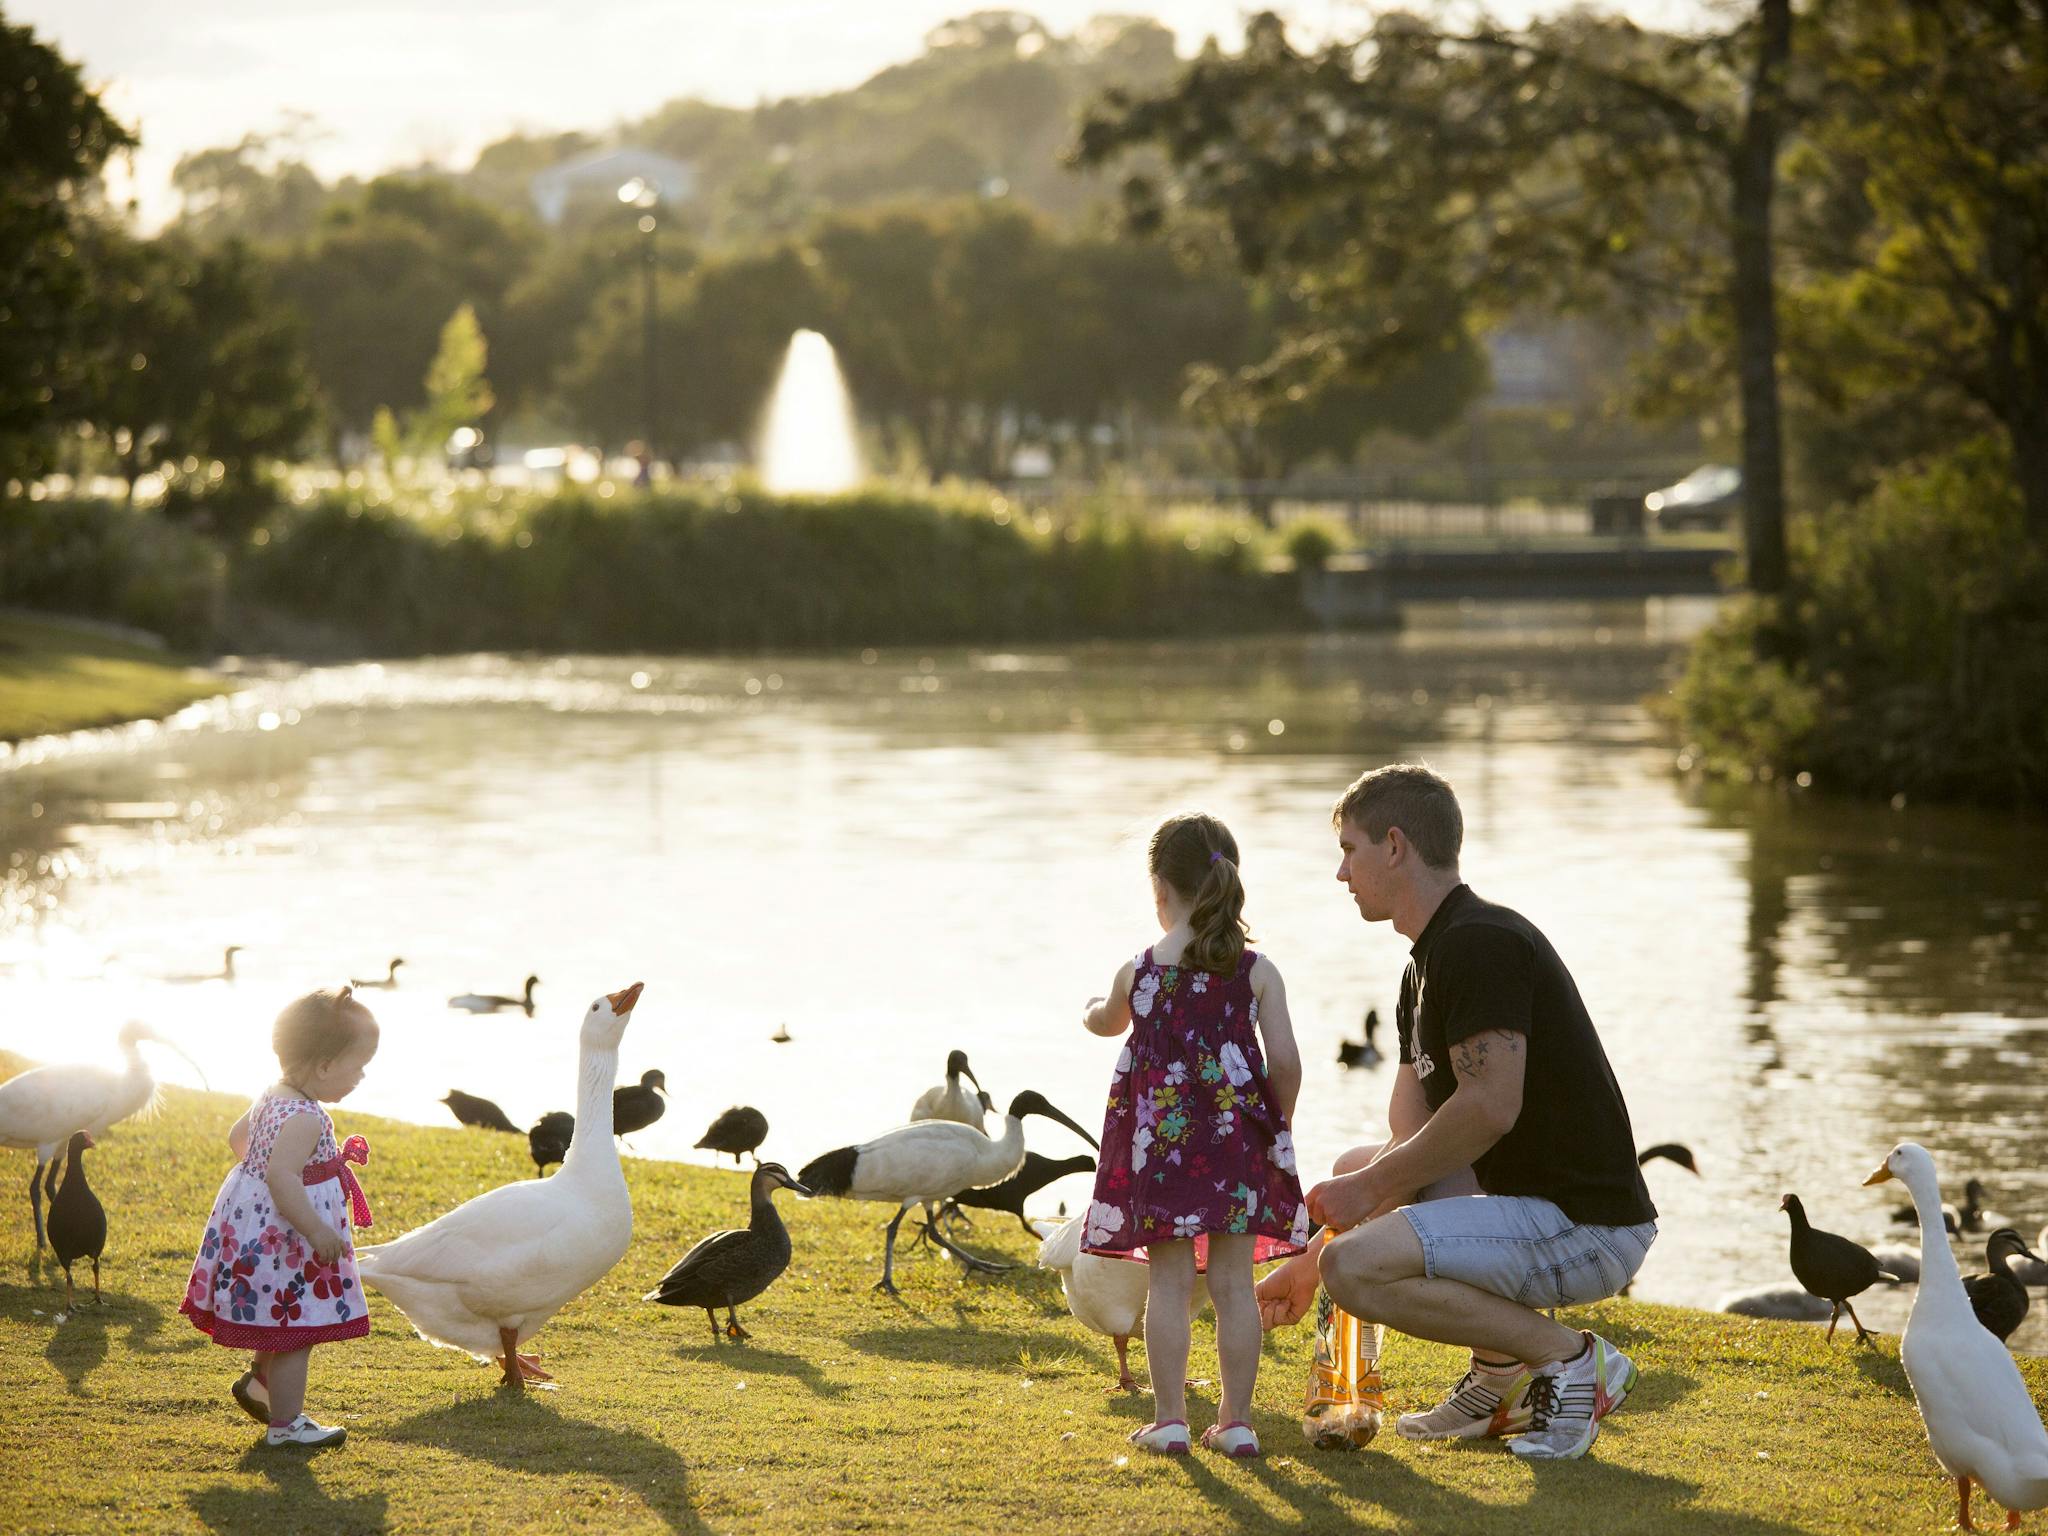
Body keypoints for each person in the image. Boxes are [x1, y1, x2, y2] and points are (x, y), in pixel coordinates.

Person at [1256, 764, 1658, 1461]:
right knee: (1358, 1180)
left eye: (1349, 850)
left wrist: (1350, 1228)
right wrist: (1309, 1260)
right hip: (1527, 1211)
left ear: (1394, 844)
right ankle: (1497, 1381)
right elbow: (1408, 1140)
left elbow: (1490, 1108)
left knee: (1358, 1266)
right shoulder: (1424, 966)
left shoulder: (1480, 944)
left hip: (1588, 1227)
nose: (1341, 873)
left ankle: (1571, 1360)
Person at [1080, 811, 1311, 1458]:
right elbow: (1288, 1064)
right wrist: (1275, 1131)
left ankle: (1171, 1418)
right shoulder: (1256, 971)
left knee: (1170, 1285)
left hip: (1164, 1152)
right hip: (1237, 1148)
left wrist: (1088, 1012)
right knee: (1234, 1285)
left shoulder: (1142, 971)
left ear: (1159, 891)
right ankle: (1236, 1421)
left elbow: (1106, 1021)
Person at [180, 986, 381, 1448]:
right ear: (325, 1065)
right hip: (290, 1234)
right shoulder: (308, 1118)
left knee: (278, 1317)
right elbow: (284, 1178)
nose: (363, 1076)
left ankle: (260, 1385)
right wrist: (313, 1225)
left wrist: (256, 1192)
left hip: (261, 1229)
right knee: (297, 1329)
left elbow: (238, 1139)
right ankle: (286, 1426)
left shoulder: (273, 1095)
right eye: (359, 1066)